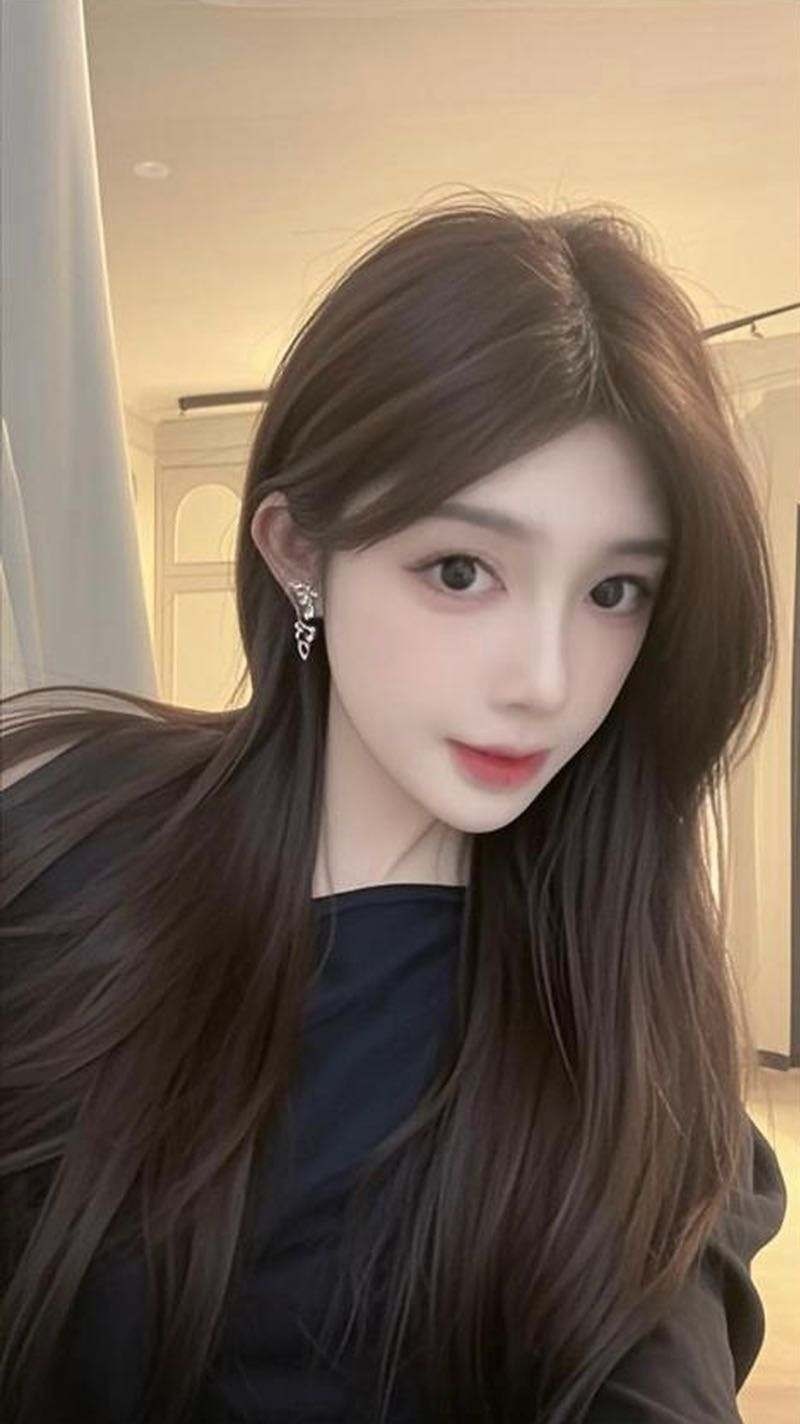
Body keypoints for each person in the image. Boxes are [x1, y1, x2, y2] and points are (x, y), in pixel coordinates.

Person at [0, 191, 787, 1424]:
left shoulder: (616, 999)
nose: (544, 680)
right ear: (297, 550)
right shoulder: (63, 837)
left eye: (613, 590)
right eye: (461, 570)